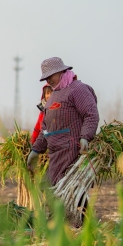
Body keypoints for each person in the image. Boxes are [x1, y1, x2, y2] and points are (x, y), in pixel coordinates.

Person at [27, 57, 99, 187]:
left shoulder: (77, 89)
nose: (48, 80)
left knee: (62, 192)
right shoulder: (53, 96)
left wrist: (85, 137)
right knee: (48, 189)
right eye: (45, 78)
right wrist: (36, 150)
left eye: (51, 76)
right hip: (55, 153)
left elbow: (91, 114)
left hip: (71, 151)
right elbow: (45, 128)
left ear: (62, 71)